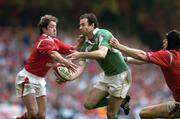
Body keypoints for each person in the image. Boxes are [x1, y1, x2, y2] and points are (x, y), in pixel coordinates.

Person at [66, 13, 132, 119]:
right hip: (107, 76)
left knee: (110, 114)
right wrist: (67, 78)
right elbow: (80, 68)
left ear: (92, 26)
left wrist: (80, 54)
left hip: (121, 76)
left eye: (83, 25)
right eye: (80, 25)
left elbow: (102, 54)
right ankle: (122, 100)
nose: (80, 27)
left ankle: (119, 100)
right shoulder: (86, 45)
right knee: (88, 104)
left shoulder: (103, 33)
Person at [15, 15, 78, 119]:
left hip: (40, 80)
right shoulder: (44, 41)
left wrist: (81, 42)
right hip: (27, 78)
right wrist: (65, 61)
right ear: (44, 29)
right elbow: (53, 53)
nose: (54, 29)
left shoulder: (55, 42)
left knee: (41, 115)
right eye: (51, 27)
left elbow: (72, 49)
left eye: (55, 27)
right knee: (33, 113)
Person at [110, 30, 180, 118]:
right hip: (177, 104)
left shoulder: (168, 55)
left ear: (171, 42)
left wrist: (119, 46)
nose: (163, 41)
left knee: (144, 113)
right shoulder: (173, 56)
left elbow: (141, 55)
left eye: (166, 39)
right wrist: (125, 59)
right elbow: (144, 59)